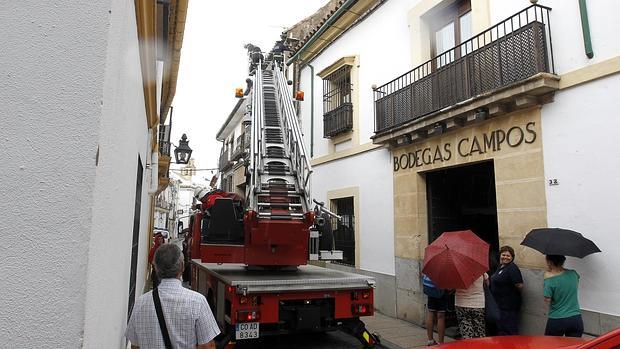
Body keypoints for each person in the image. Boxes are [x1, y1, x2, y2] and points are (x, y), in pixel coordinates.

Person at [126, 244, 220, 348]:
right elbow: (208, 346)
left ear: (156, 268)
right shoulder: (198, 302)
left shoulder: (140, 303)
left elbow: (135, 346)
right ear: (182, 266)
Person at [543, 254, 583, 337]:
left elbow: (547, 299)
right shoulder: (573, 273)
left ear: (549, 262)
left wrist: (545, 283)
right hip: (576, 318)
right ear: (563, 261)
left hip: (557, 319)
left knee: (550, 345)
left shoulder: (549, 279)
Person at [489, 245, 523, 335]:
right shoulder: (501, 267)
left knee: (509, 329)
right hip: (500, 305)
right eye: (503, 255)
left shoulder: (512, 268)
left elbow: (519, 285)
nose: (505, 257)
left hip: (508, 306)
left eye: (508, 256)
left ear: (512, 257)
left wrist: (510, 293)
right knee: (502, 329)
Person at [455, 273, 488, 339]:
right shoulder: (481, 271)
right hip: (478, 304)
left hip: (462, 304)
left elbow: (450, 288)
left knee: (466, 333)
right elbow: (487, 284)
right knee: (479, 332)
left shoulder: (456, 273)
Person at [423, 274, 448, 346]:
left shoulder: (431, 263)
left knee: (430, 312)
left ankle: (430, 340)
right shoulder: (445, 263)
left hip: (430, 287)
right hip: (441, 289)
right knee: (441, 316)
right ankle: (441, 343)